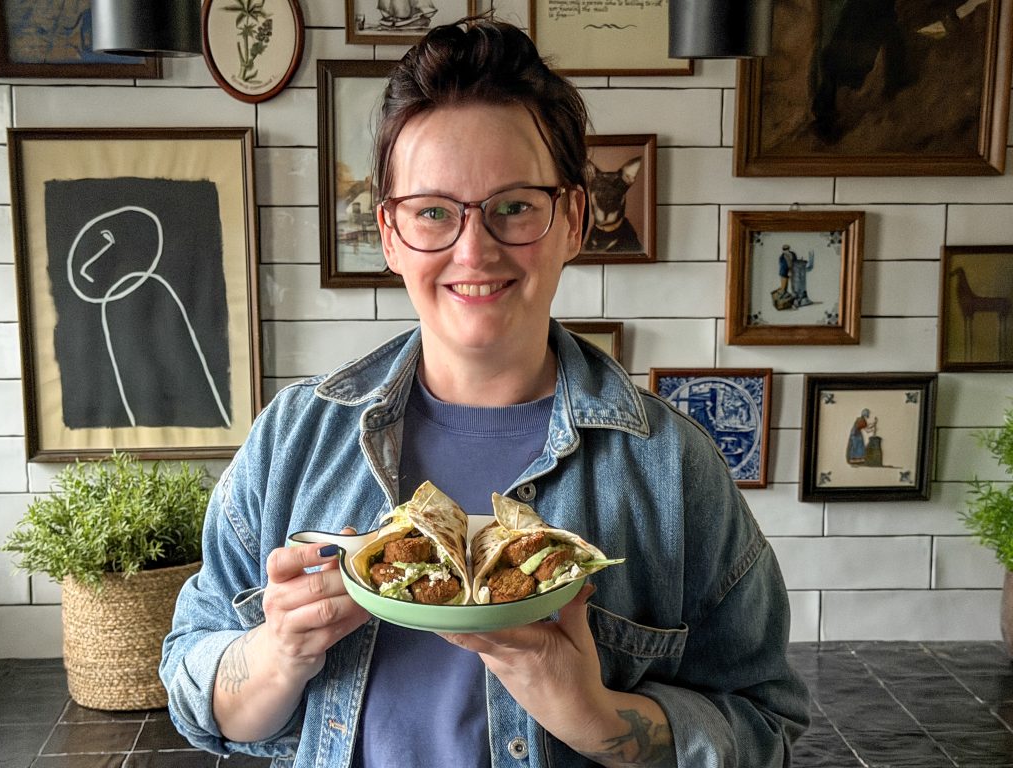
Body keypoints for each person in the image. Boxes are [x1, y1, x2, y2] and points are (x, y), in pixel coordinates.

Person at [160, 16, 809, 768]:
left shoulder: (671, 469)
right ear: (392, 235)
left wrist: (590, 712)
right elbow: (190, 685)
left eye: (514, 207)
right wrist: (277, 655)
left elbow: (765, 727)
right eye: (434, 211)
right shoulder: (294, 440)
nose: (474, 248)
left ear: (571, 218)